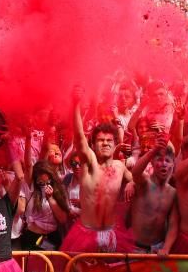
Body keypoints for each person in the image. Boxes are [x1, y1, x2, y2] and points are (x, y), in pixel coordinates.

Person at [61, 88, 131, 253]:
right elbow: (79, 137)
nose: (105, 143)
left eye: (109, 140)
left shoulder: (120, 166)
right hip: (86, 234)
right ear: (92, 145)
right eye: (100, 140)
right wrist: (76, 104)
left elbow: (131, 177)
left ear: (115, 145)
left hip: (113, 233)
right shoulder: (89, 163)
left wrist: (132, 183)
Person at [128, 140, 178, 255]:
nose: (164, 164)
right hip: (135, 247)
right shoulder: (144, 182)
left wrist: (166, 248)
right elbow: (136, 172)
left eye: (167, 161)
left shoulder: (173, 193)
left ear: (172, 164)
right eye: (159, 160)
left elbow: (173, 225)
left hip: (157, 249)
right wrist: (153, 151)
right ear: (152, 162)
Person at [20, 161, 70, 250]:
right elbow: (28, 165)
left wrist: (50, 198)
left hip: (52, 238)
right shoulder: (31, 189)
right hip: (33, 237)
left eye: (48, 182)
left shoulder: (59, 190)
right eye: (41, 183)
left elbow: (62, 219)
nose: (45, 186)